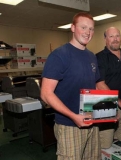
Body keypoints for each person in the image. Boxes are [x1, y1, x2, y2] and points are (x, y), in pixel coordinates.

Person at [40, 12, 101, 160]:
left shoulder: (92, 56)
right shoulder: (59, 55)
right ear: (73, 28)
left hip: (91, 122)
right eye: (83, 27)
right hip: (69, 125)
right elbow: (46, 94)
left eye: (91, 29)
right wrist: (74, 116)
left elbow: (96, 87)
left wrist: (109, 109)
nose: (88, 32)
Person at [96, 27, 121, 148]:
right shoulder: (99, 57)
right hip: (106, 105)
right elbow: (99, 84)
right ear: (105, 39)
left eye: (117, 36)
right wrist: (120, 102)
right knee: (105, 144)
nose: (115, 39)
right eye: (111, 36)